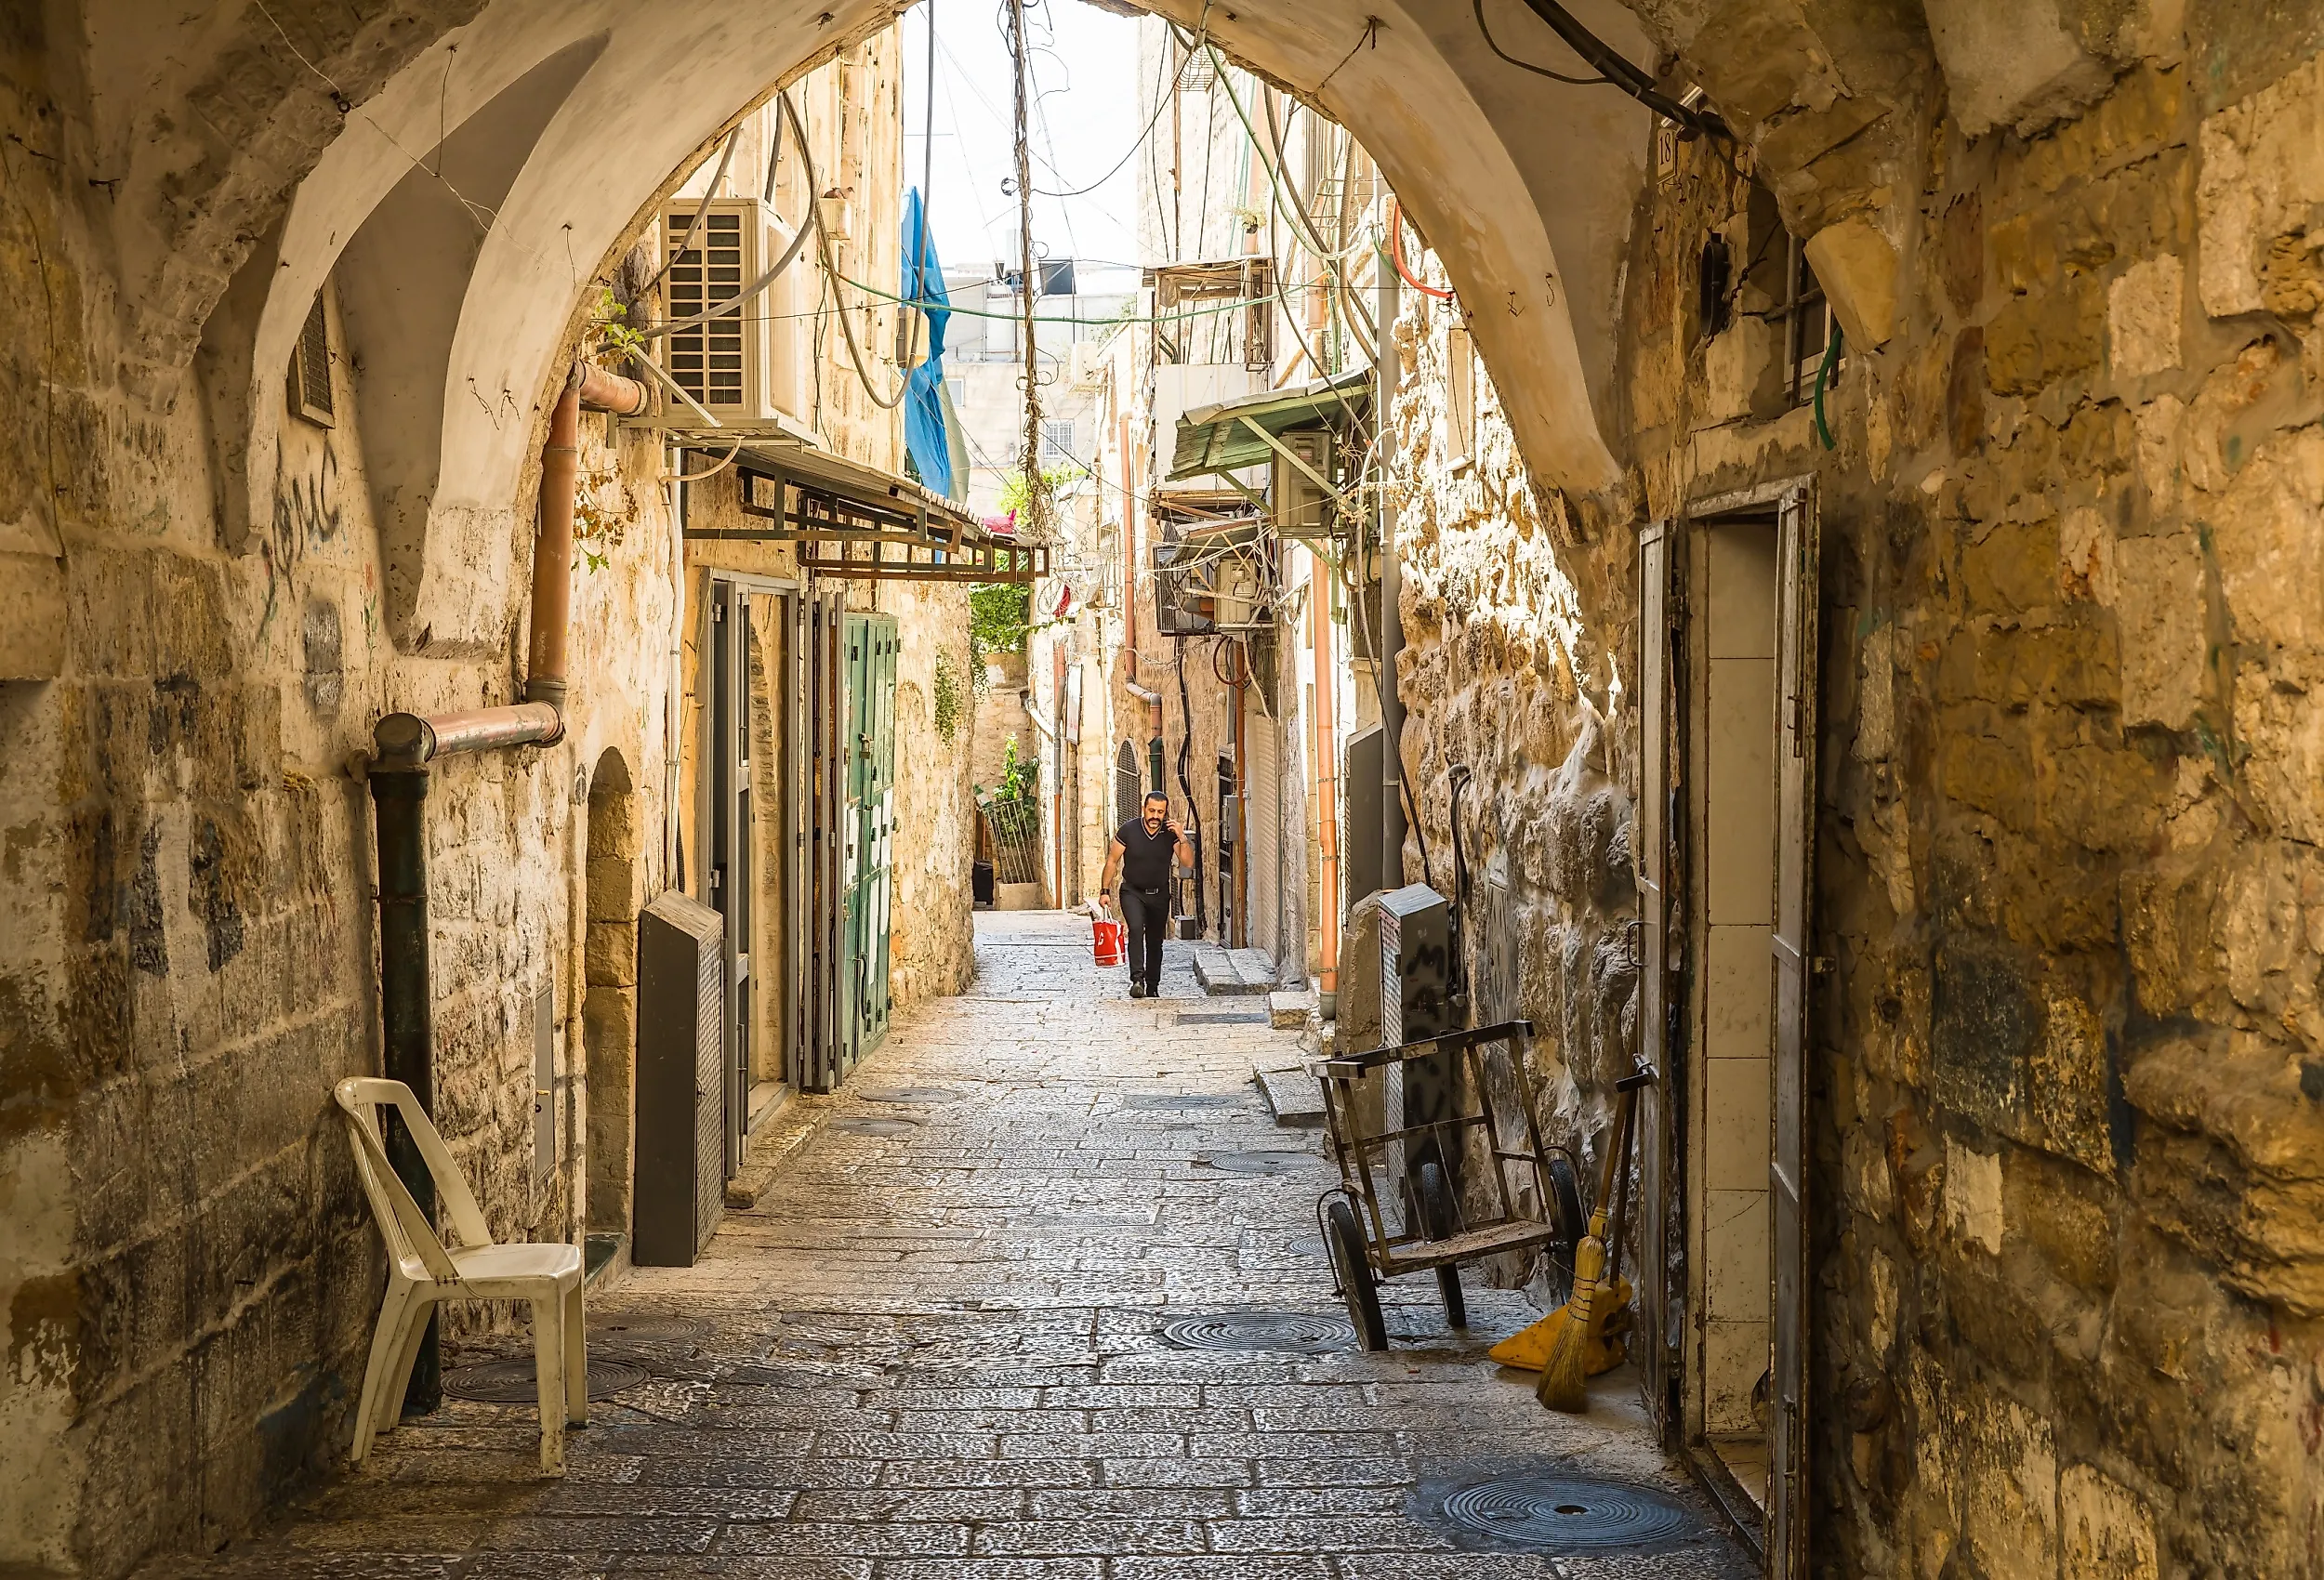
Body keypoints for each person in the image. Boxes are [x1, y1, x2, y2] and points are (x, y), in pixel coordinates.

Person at [1100, 791, 1193, 998]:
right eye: (1151, 810)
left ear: (1165, 812)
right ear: (1144, 809)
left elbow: (1188, 862)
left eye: (1160, 812)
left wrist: (1182, 836)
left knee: (1155, 940)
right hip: (1132, 891)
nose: (1155, 816)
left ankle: (1153, 985)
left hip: (1159, 895)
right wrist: (1104, 891)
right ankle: (1137, 979)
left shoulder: (1170, 835)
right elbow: (1112, 861)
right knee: (1135, 929)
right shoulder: (1128, 830)